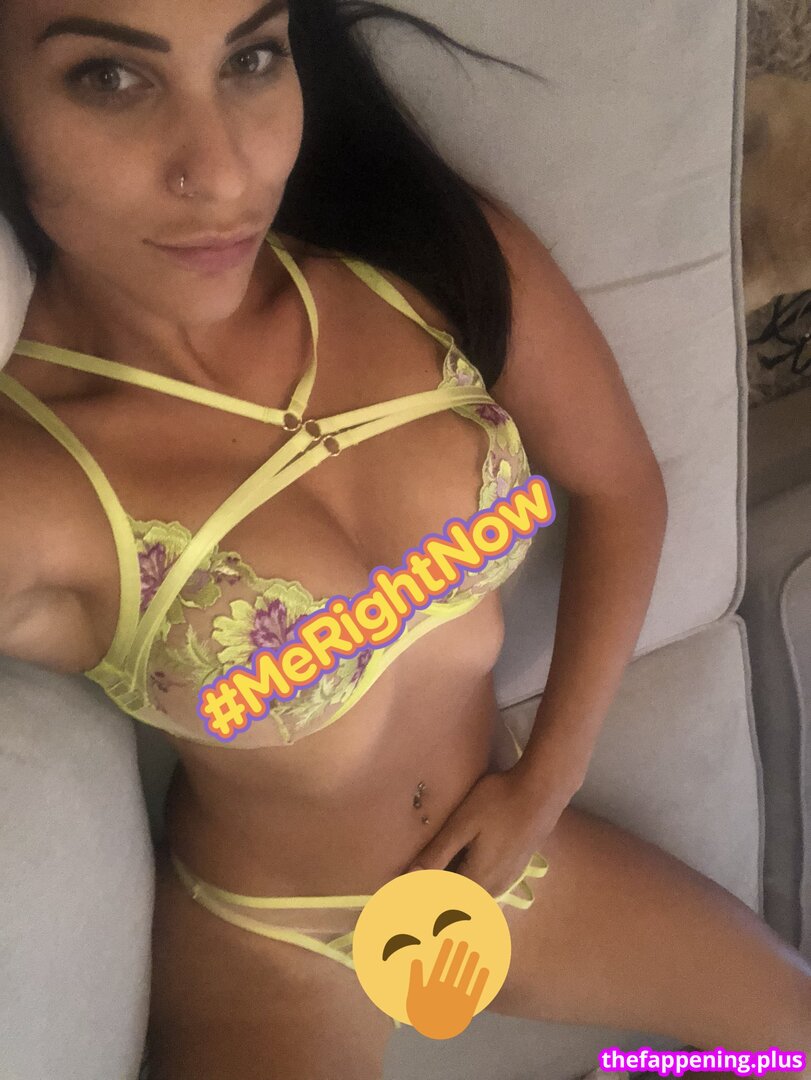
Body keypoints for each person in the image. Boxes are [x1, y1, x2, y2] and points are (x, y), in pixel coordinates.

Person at [0, 2, 808, 1079]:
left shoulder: (421, 260)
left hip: (504, 858)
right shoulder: (34, 474)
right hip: (273, 944)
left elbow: (619, 488)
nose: (225, 172)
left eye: (250, 58)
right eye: (109, 78)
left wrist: (544, 782)